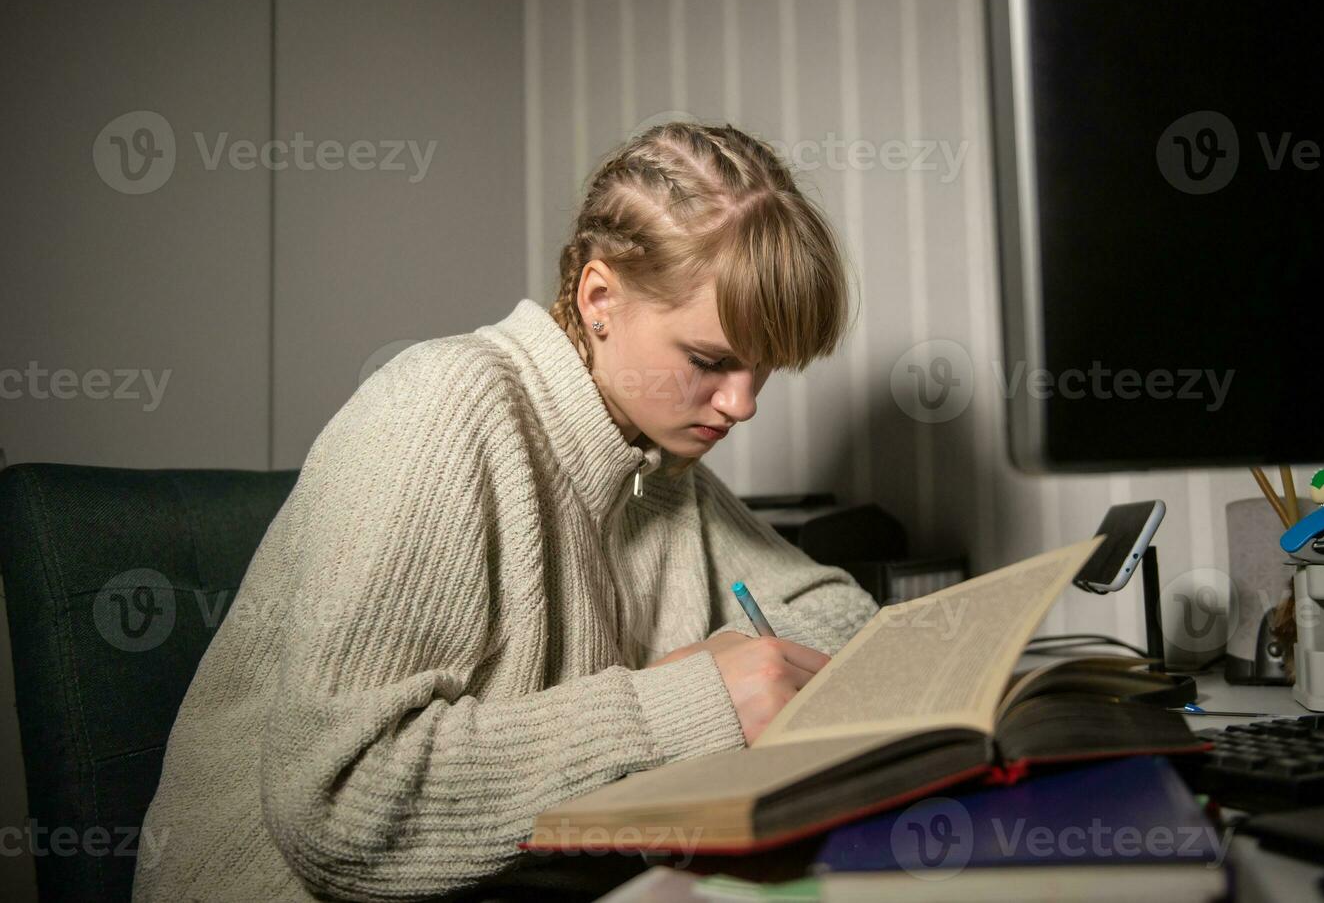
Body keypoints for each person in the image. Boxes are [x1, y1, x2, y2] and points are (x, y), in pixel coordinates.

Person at [133, 122, 879, 901]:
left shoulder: (653, 464)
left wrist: (724, 668)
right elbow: (342, 804)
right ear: (599, 299)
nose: (742, 404)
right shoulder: (439, 408)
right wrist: (686, 702)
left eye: (763, 369)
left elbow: (839, 617)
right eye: (710, 361)